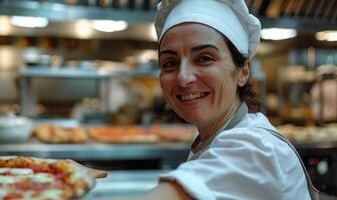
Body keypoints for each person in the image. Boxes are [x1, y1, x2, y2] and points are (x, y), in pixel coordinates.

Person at [125, 0, 320, 199]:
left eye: (204, 58)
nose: (183, 78)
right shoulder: (210, 138)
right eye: (170, 62)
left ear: (243, 72)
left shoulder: (256, 149)